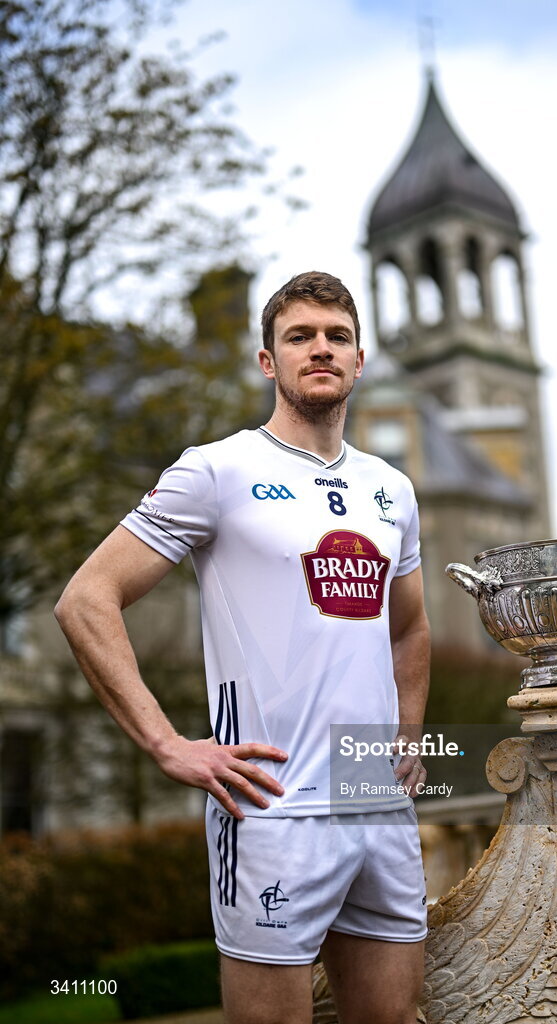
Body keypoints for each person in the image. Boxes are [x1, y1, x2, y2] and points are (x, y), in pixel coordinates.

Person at [55, 271, 431, 1024]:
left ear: (360, 360)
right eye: (299, 336)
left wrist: (410, 733)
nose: (319, 349)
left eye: (336, 336)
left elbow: (410, 627)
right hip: (270, 809)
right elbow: (84, 600)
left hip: (374, 803)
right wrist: (167, 745)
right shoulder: (216, 471)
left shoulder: (392, 488)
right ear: (267, 360)